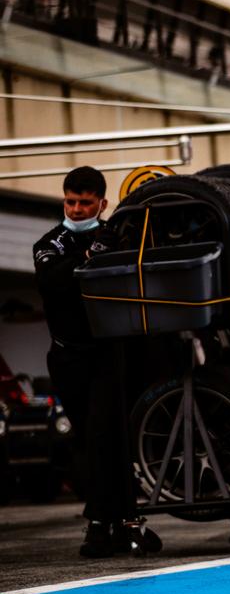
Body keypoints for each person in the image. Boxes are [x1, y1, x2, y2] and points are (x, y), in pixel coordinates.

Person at [33, 167, 125, 555]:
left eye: (85, 203)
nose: (76, 209)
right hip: (68, 357)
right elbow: (53, 281)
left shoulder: (116, 236)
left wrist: (99, 252)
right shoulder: (48, 243)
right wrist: (88, 256)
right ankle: (108, 519)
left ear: (102, 204)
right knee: (86, 439)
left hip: (108, 354)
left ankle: (106, 522)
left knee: (108, 435)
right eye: (71, 201)